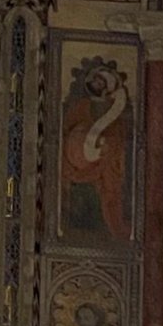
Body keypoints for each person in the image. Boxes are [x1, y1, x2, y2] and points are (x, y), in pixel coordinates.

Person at [61, 59, 130, 242]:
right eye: (96, 81)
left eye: (101, 82)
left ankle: (111, 229)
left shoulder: (113, 111)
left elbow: (119, 138)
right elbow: (67, 130)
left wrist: (107, 146)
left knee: (109, 189)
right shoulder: (81, 106)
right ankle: (74, 230)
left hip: (106, 163)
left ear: (106, 86)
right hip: (79, 164)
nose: (97, 84)